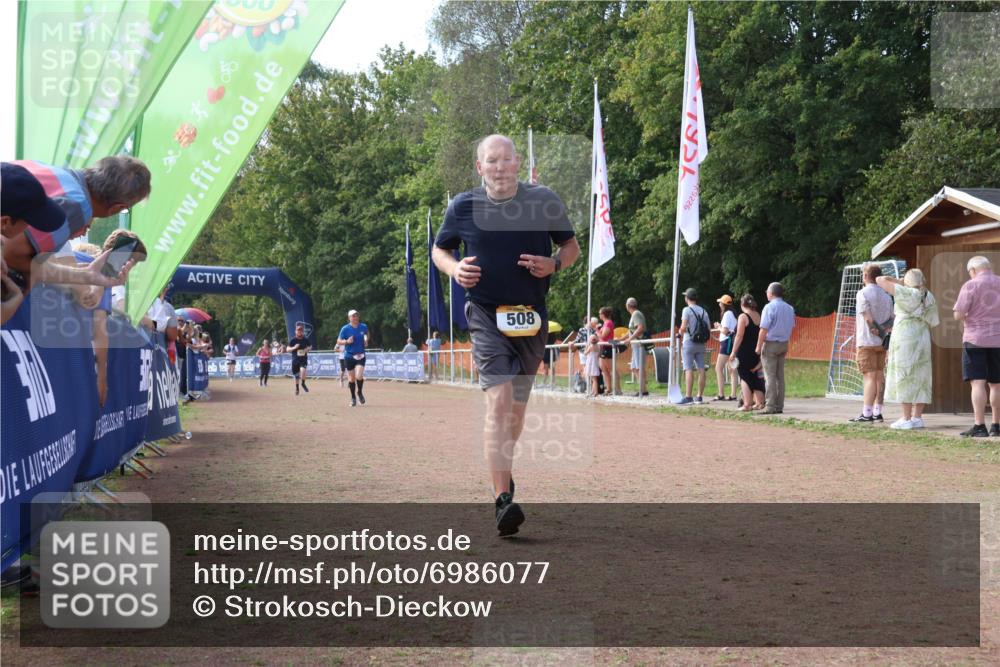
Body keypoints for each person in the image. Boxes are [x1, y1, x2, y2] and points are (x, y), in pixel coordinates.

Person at [431, 133, 580, 537]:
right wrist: (453, 269)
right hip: (484, 314)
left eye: (506, 159)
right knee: (498, 404)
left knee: (515, 410)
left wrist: (554, 264)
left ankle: (504, 473)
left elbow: (570, 246)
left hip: (531, 317)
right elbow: (439, 250)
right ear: (480, 168)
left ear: (518, 164)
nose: (499, 167)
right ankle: (502, 501)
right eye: (491, 161)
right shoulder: (464, 206)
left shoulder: (542, 200)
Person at [3, 158, 150, 290]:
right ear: (117, 208)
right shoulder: (78, 207)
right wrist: (83, 275)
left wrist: (83, 273)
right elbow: (12, 254)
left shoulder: (44, 167)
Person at [878, 269, 939, 430]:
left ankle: (906, 417)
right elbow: (933, 321)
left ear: (908, 280)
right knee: (921, 375)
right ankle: (917, 417)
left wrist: (898, 281)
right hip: (922, 336)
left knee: (904, 373)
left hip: (905, 336)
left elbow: (880, 279)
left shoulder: (906, 292)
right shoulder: (928, 295)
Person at [952, 255, 1000, 436]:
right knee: (997, 384)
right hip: (998, 340)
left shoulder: (970, 285)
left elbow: (958, 314)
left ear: (972, 270)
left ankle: (979, 426)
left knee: (978, 383)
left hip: (975, 339)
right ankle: (997, 426)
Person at [850, 263, 894, 423]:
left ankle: (866, 413)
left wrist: (876, 329)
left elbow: (867, 318)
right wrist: (883, 332)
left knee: (869, 377)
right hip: (882, 343)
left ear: (866, 276)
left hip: (867, 341)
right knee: (879, 376)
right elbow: (892, 319)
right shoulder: (887, 295)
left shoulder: (862, 293)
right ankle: (878, 412)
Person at [756, 282, 796, 415]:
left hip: (771, 344)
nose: (766, 293)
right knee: (780, 376)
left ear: (771, 293)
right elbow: (792, 326)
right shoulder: (790, 308)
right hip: (784, 343)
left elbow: (763, 330)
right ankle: (779, 405)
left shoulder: (769, 307)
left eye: (767, 291)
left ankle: (770, 405)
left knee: (770, 376)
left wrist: (758, 346)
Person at [730, 294, 766, 412]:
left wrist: (733, 352)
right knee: (755, 376)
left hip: (744, 351)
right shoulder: (758, 315)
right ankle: (760, 403)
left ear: (742, 305)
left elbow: (739, 335)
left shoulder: (742, 317)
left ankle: (747, 404)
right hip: (756, 350)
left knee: (744, 376)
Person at [678, 287, 710, 404]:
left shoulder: (686, 310)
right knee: (701, 369)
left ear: (687, 298)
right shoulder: (703, 311)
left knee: (688, 369)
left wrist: (680, 333)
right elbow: (708, 329)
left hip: (689, 342)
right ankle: (700, 396)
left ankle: (688, 396)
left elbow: (683, 326)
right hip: (701, 343)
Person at [338, 310, 369, 406]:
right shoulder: (345, 329)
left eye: (356, 316)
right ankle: (353, 398)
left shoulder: (363, 326)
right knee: (351, 379)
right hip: (349, 356)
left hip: (361, 355)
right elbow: (339, 341)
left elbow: (367, 333)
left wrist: (366, 340)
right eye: (353, 316)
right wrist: (347, 341)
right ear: (349, 318)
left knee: (359, 376)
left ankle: (359, 392)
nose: (355, 318)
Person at [713, 294, 740, 401]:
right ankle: (733, 394)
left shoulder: (727, 314)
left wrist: (718, 326)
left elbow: (724, 330)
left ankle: (721, 394)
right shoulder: (733, 314)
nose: (719, 304)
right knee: (732, 368)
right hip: (731, 341)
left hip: (726, 342)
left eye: (720, 303)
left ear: (723, 304)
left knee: (718, 368)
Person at [623, 297, 649, 396]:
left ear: (627, 306)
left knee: (639, 368)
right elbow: (631, 331)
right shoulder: (634, 315)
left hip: (639, 345)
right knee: (634, 368)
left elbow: (640, 328)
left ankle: (643, 390)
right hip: (635, 345)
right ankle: (643, 389)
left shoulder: (636, 314)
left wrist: (629, 339)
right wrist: (621, 339)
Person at [287, 324, 311, 395]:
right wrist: (294, 347)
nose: (299, 331)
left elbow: (310, 346)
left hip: (303, 359)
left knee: (303, 370)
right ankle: (297, 388)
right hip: (295, 360)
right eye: (298, 330)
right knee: (296, 376)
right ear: (295, 331)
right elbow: (287, 349)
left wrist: (308, 349)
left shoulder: (305, 339)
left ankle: (303, 383)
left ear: (302, 331)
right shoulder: (293, 340)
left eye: (301, 330)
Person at [584, 333, 602, 397]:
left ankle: (595, 392)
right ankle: (593, 391)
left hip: (591, 363)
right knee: (593, 378)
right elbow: (599, 354)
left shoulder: (591, 346)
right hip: (595, 362)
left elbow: (585, 353)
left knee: (594, 379)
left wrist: (586, 346)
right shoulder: (598, 346)